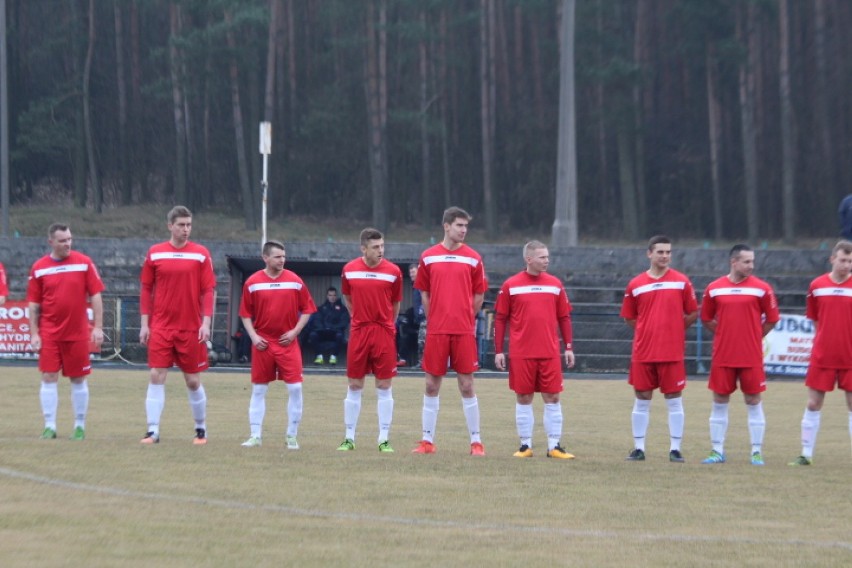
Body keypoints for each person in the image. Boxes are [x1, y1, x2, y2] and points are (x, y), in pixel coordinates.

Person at [412, 206, 488, 456]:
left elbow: (479, 294)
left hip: (463, 330)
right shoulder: (429, 256)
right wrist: (436, 318)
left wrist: (466, 317)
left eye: (466, 226)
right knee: (432, 385)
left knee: (467, 385)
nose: (464, 230)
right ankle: (427, 441)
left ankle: (476, 442)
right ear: (446, 226)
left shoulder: (474, 258)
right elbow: (425, 292)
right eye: (459, 225)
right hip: (437, 330)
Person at [139, 206, 216, 445]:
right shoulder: (155, 253)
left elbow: (208, 290)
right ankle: (153, 431)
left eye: (189, 225)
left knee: (192, 380)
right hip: (161, 327)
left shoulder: (201, 254)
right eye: (181, 225)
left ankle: (200, 429)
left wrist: (206, 323)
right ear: (170, 226)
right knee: (156, 375)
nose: (186, 229)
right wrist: (145, 324)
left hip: (190, 328)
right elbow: (146, 289)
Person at [493, 240, 576, 459]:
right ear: (528, 259)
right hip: (522, 353)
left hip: (549, 352)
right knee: (523, 397)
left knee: (553, 397)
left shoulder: (555, 284)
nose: (546, 261)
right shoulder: (511, 285)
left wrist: (568, 347)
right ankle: (525, 446)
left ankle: (554, 446)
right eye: (542, 257)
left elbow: (564, 317)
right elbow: (501, 319)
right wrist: (499, 350)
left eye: (547, 257)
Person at [699, 244, 780, 466]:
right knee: (719, 400)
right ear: (733, 262)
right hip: (724, 355)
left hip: (750, 356)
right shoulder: (714, 288)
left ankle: (756, 452)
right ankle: (717, 451)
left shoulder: (762, 288)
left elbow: (772, 319)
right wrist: (725, 333)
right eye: (746, 261)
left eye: (752, 261)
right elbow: (706, 318)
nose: (751, 266)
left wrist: (753, 335)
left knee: (753, 400)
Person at [621, 235, 698, 462]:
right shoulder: (635, 284)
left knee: (674, 398)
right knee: (642, 397)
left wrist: (674, 329)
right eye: (660, 252)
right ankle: (639, 448)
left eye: (668, 252)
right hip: (644, 352)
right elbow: (629, 317)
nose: (665, 256)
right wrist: (647, 330)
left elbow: (693, 312)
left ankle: (675, 449)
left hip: (671, 351)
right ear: (649, 254)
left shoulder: (682, 281)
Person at [27, 223, 105, 440]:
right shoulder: (39, 267)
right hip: (50, 333)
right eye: (62, 240)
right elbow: (34, 303)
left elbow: (96, 295)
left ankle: (79, 425)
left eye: (69, 239)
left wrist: (98, 327)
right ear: (51, 242)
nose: (68, 243)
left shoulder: (84, 263)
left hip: (78, 332)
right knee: (48, 376)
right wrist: (34, 333)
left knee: (78, 378)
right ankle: (49, 426)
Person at [238, 241, 316, 449]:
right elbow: (245, 314)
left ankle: (291, 435)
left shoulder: (295, 281)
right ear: (265, 258)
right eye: (277, 256)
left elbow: (308, 310)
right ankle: (255, 435)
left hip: (287, 344)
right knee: (259, 390)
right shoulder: (252, 282)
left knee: (295, 388)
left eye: (283, 256)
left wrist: (294, 332)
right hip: (262, 343)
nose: (282, 260)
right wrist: (254, 337)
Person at [336, 228, 403, 453]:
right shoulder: (349, 270)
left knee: (384, 384)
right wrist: (358, 318)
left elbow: (395, 303)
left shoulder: (393, 272)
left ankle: (383, 438)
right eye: (375, 247)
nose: (380, 250)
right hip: (359, 331)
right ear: (363, 248)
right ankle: (349, 438)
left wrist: (387, 325)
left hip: (383, 332)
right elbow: (347, 298)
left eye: (382, 246)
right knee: (355, 384)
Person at [789, 240, 852, 466]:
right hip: (823, 355)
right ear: (832, 259)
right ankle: (806, 454)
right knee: (814, 404)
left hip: (850, 357)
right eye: (843, 260)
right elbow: (815, 319)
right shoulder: (817, 285)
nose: (847, 265)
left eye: (850, 261)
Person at [308, 287, 349, 365]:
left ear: (336, 296)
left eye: (334, 295)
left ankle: (333, 357)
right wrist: (323, 328)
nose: (332, 297)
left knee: (340, 336)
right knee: (313, 335)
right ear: (327, 296)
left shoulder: (342, 309)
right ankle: (319, 357)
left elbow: (344, 322)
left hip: (335, 332)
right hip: (323, 332)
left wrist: (332, 327)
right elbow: (317, 320)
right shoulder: (321, 308)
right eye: (330, 295)